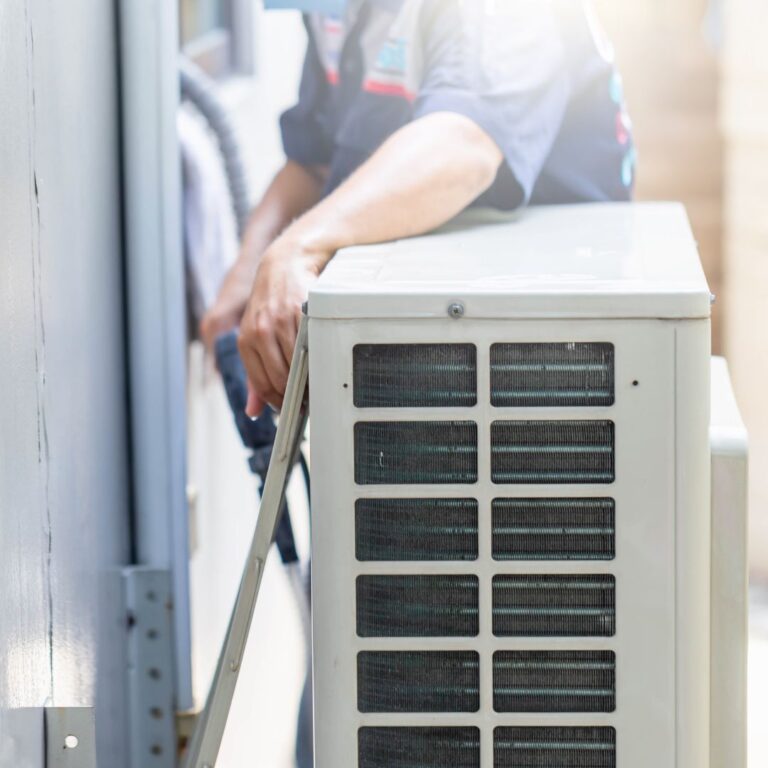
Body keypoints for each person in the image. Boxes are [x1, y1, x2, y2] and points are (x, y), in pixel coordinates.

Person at [201, 0, 634, 413]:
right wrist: (250, 270)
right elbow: (315, 161)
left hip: (548, 346)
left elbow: (464, 145)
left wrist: (297, 247)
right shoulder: (337, 13)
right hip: (427, 338)